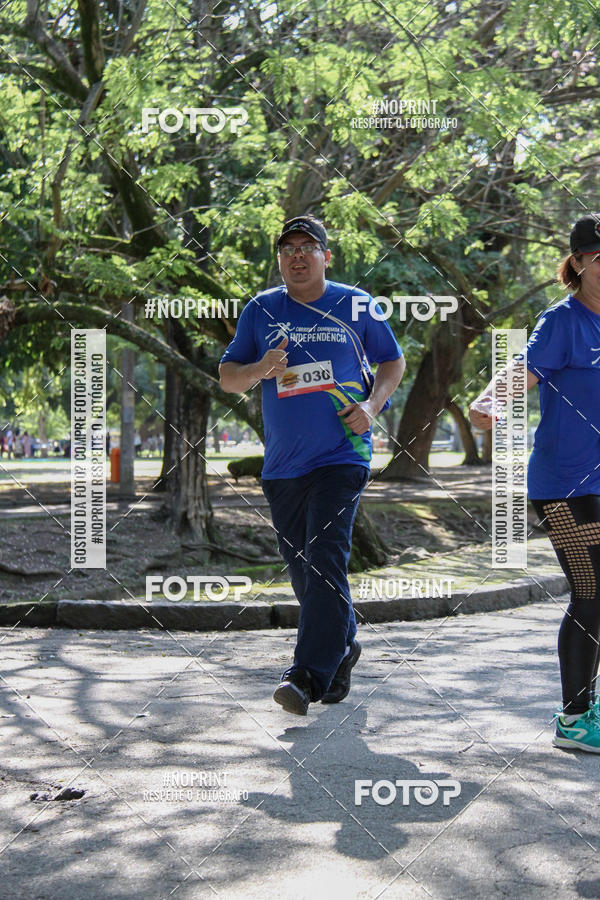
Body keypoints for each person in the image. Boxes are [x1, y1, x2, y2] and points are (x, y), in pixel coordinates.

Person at [219, 214, 405, 715]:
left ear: (327, 255)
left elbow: (393, 362)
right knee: (304, 571)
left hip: (341, 456)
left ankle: (304, 676)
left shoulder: (355, 303)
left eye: (308, 246)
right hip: (283, 466)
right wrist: (259, 369)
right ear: (279, 258)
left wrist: (371, 407)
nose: (297, 255)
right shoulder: (261, 309)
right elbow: (228, 377)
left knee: (323, 557)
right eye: (287, 248)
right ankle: (343, 644)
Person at [470, 212, 600, 752]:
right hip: (564, 487)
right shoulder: (563, 321)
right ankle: (574, 719)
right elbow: (522, 369)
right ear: (578, 263)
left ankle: (583, 707)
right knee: (592, 594)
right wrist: (490, 403)